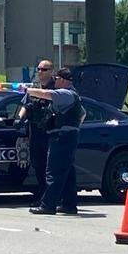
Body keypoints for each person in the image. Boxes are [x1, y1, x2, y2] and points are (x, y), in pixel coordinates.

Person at [26, 67, 85, 216]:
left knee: (53, 171)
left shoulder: (66, 93)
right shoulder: (73, 95)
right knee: (67, 172)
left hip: (61, 136)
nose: (54, 80)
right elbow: (82, 114)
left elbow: (46, 94)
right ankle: (69, 205)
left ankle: (48, 205)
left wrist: (27, 90)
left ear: (63, 80)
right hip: (67, 136)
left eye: (57, 78)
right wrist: (74, 128)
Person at [16, 59, 55, 206]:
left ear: (51, 71)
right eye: (38, 69)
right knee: (38, 164)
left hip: (51, 132)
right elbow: (26, 105)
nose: (40, 72)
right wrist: (19, 118)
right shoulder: (34, 88)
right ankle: (43, 196)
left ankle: (52, 198)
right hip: (36, 132)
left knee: (50, 166)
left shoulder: (56, 88)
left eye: (44, 69)